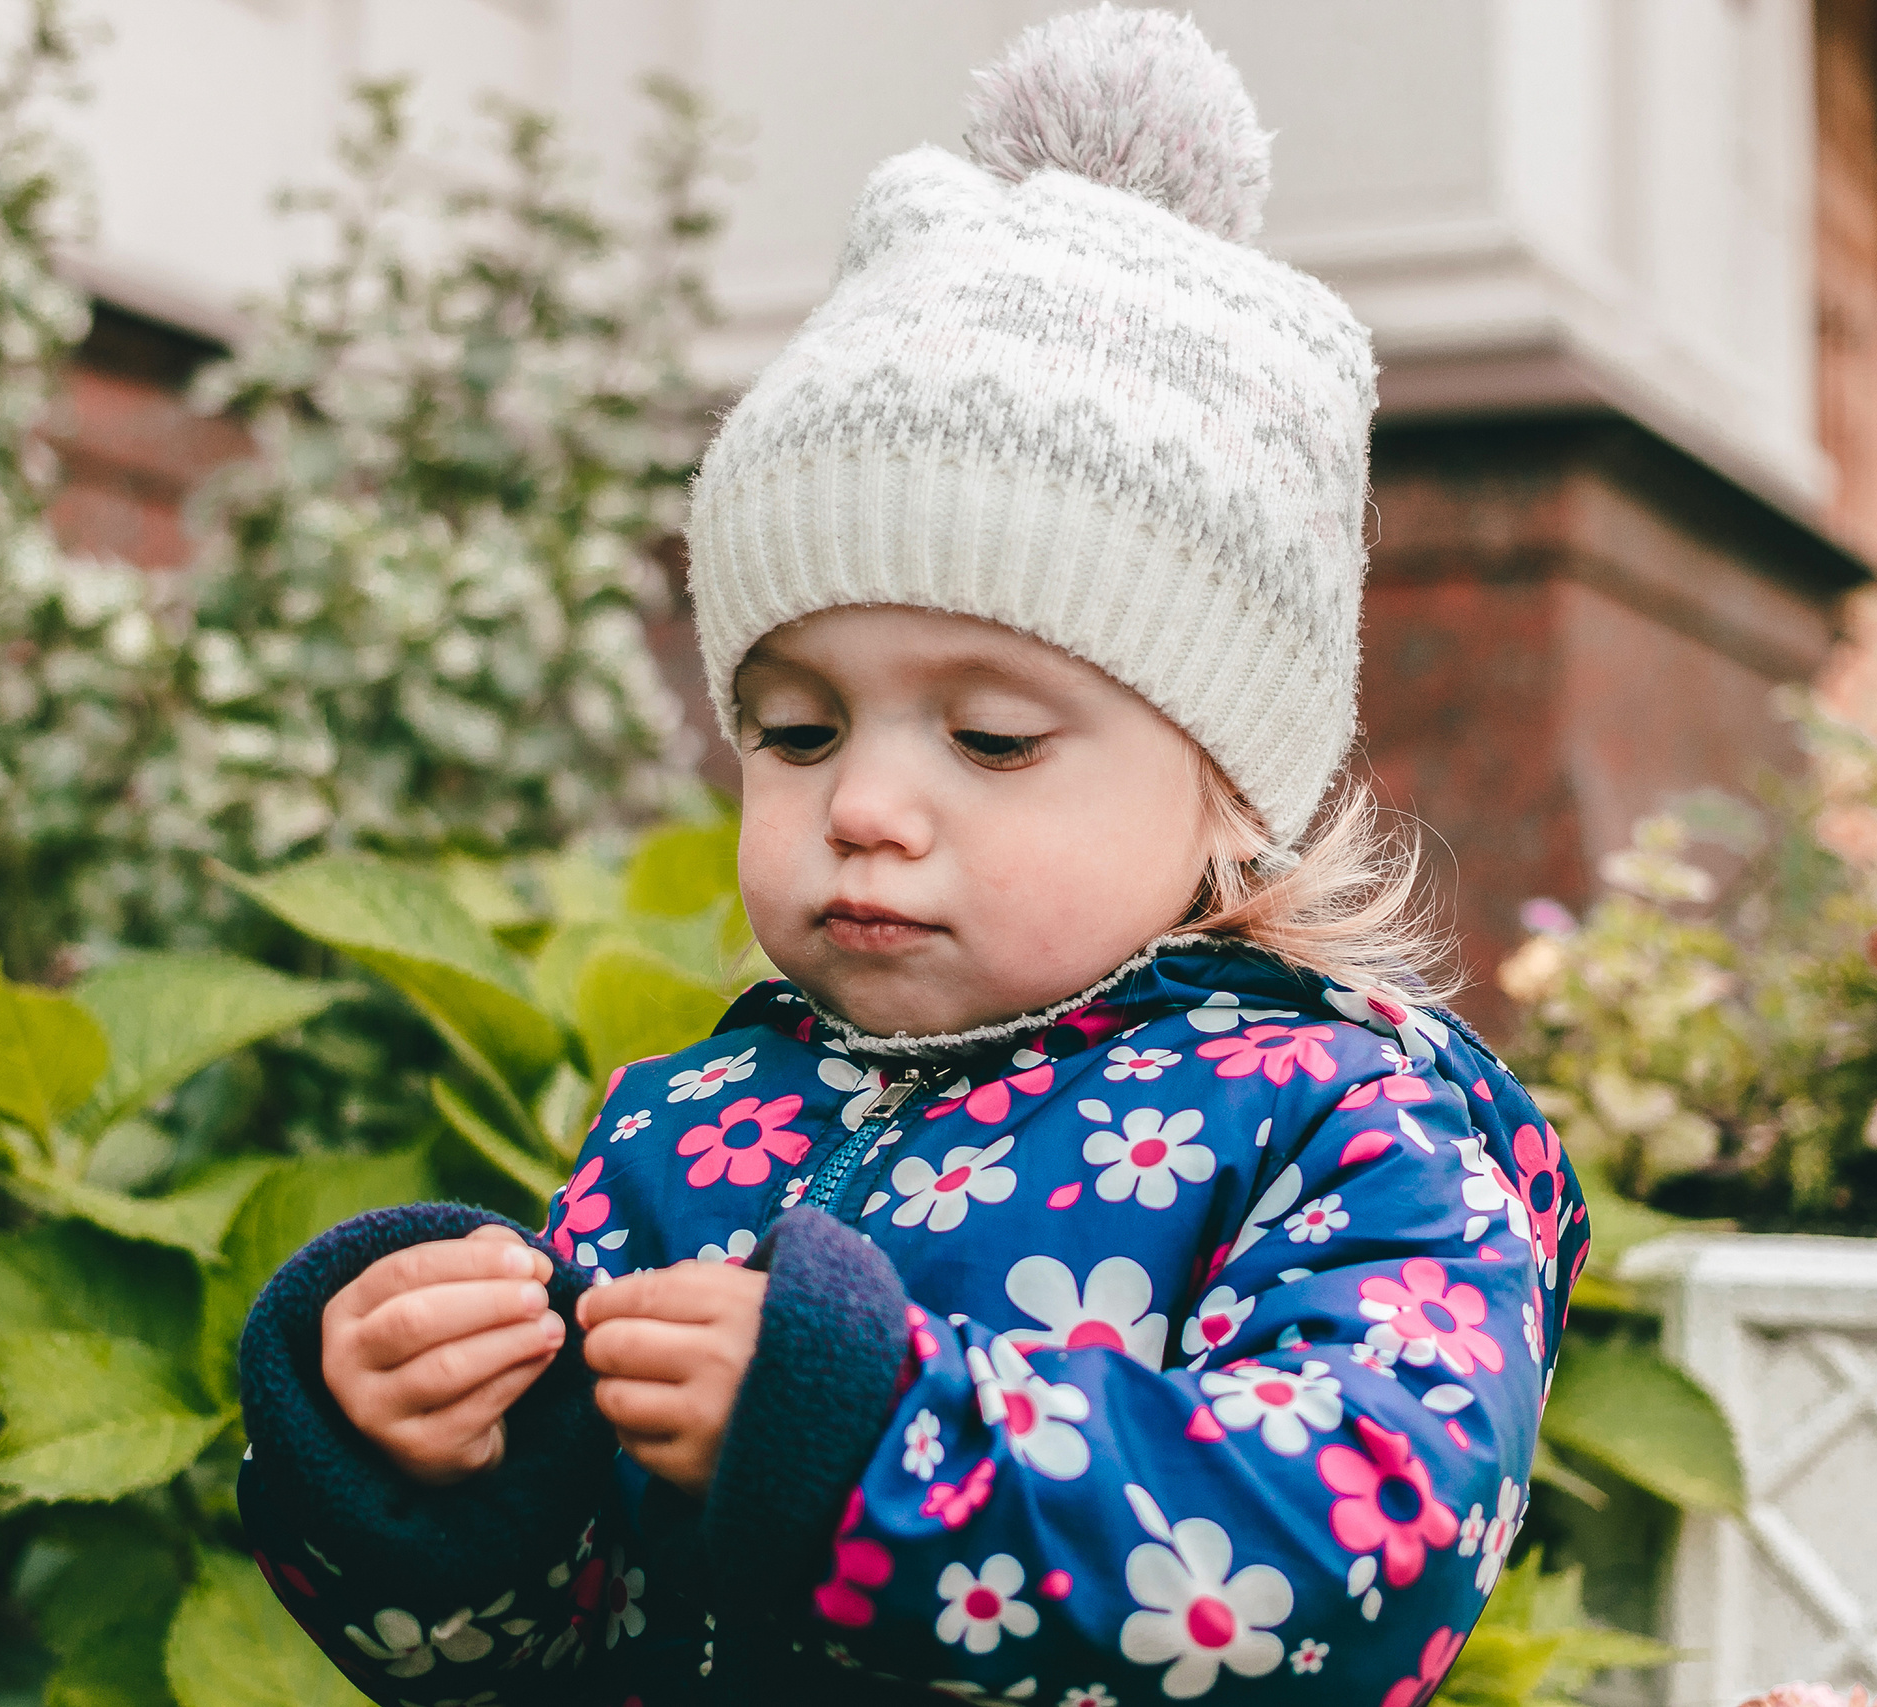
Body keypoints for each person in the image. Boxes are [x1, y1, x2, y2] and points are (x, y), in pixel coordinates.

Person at [233, 8, 1588, 1704]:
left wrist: (876, 1445)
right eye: (797, 731)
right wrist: (429, 1476)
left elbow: (1358, 1556)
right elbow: (550, 1651)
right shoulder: (686, 1127)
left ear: (1232, 791)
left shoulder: (1336, 1128)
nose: (862, 804)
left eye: (994, 738)